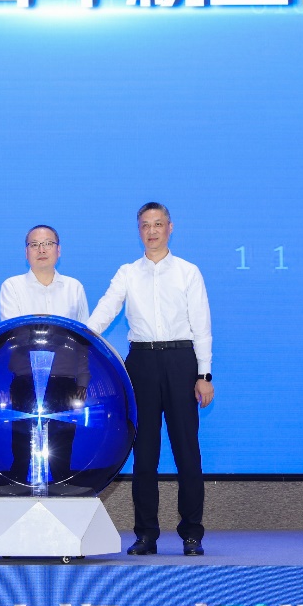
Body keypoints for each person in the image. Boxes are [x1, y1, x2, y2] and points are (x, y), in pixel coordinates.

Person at [87, 202, 213, 556]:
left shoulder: (188, 272)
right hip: (141, 362)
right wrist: (81, 337)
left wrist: (204, 374)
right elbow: (105, 311)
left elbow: (202, 325)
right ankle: (146, 534)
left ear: (170, 228)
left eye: (158, 224)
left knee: (187, 451)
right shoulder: (127, 273)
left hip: (181, 361)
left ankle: (192, 534)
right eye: (145, 225)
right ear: (139, 230)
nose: (152, 230)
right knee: (144, 454)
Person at [0, 225, 90, 487]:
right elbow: (15, 335)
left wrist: (83, 380)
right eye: (34, 244)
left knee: (62, 448)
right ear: (25, 252)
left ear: (58, 250)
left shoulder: (74, 288)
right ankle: (18, 497)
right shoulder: (12, 286)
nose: (41, 249)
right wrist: (59, 335)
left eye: (48, 243)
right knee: (22, 446)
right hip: (25, 379)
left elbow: (82, 339)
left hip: (65, 380)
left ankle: (62, 496)